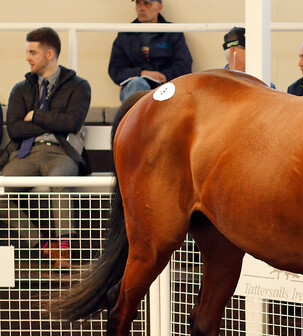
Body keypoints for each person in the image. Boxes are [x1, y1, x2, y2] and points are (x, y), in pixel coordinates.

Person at [3, 27, 91, 269]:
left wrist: (36, 116)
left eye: (32, 52)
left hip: (61, 152)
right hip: (26, 154)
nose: (27, 57)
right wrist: (53, 122)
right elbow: (15, 129)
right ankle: (43, 245)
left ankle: (64, 251)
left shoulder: (78, 86)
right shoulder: (21, 88)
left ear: (49, 54)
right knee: (1, 189)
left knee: (59, 178)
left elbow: (72, 123)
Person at [108, 0, 193, 102]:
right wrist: (142, 73)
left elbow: (184, 66)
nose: (141, 8)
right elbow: (115, 70)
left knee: (167, 93)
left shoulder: (172, 32)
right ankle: (139, 116)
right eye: (138, 3)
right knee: (137, 84)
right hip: (135, 88)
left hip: (165, 88)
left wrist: (163, 77)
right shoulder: (126, 34)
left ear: (159, 7)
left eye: (147, 3)